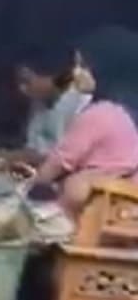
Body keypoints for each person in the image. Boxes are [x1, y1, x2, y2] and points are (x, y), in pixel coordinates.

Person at [30, 27, 138, 218]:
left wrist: (30, 186)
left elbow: (61, 160)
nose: (76, 73)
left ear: (105, 68)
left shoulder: (101, 113)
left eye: (84, 66)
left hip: (99, 206)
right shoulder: (124, 111)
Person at [17, 45, 92, 158]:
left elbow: (71, 158)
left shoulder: (84, 107)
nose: (21, 88)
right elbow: (32, 147)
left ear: (53, 78)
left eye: (27, 81)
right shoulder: (39, 103)